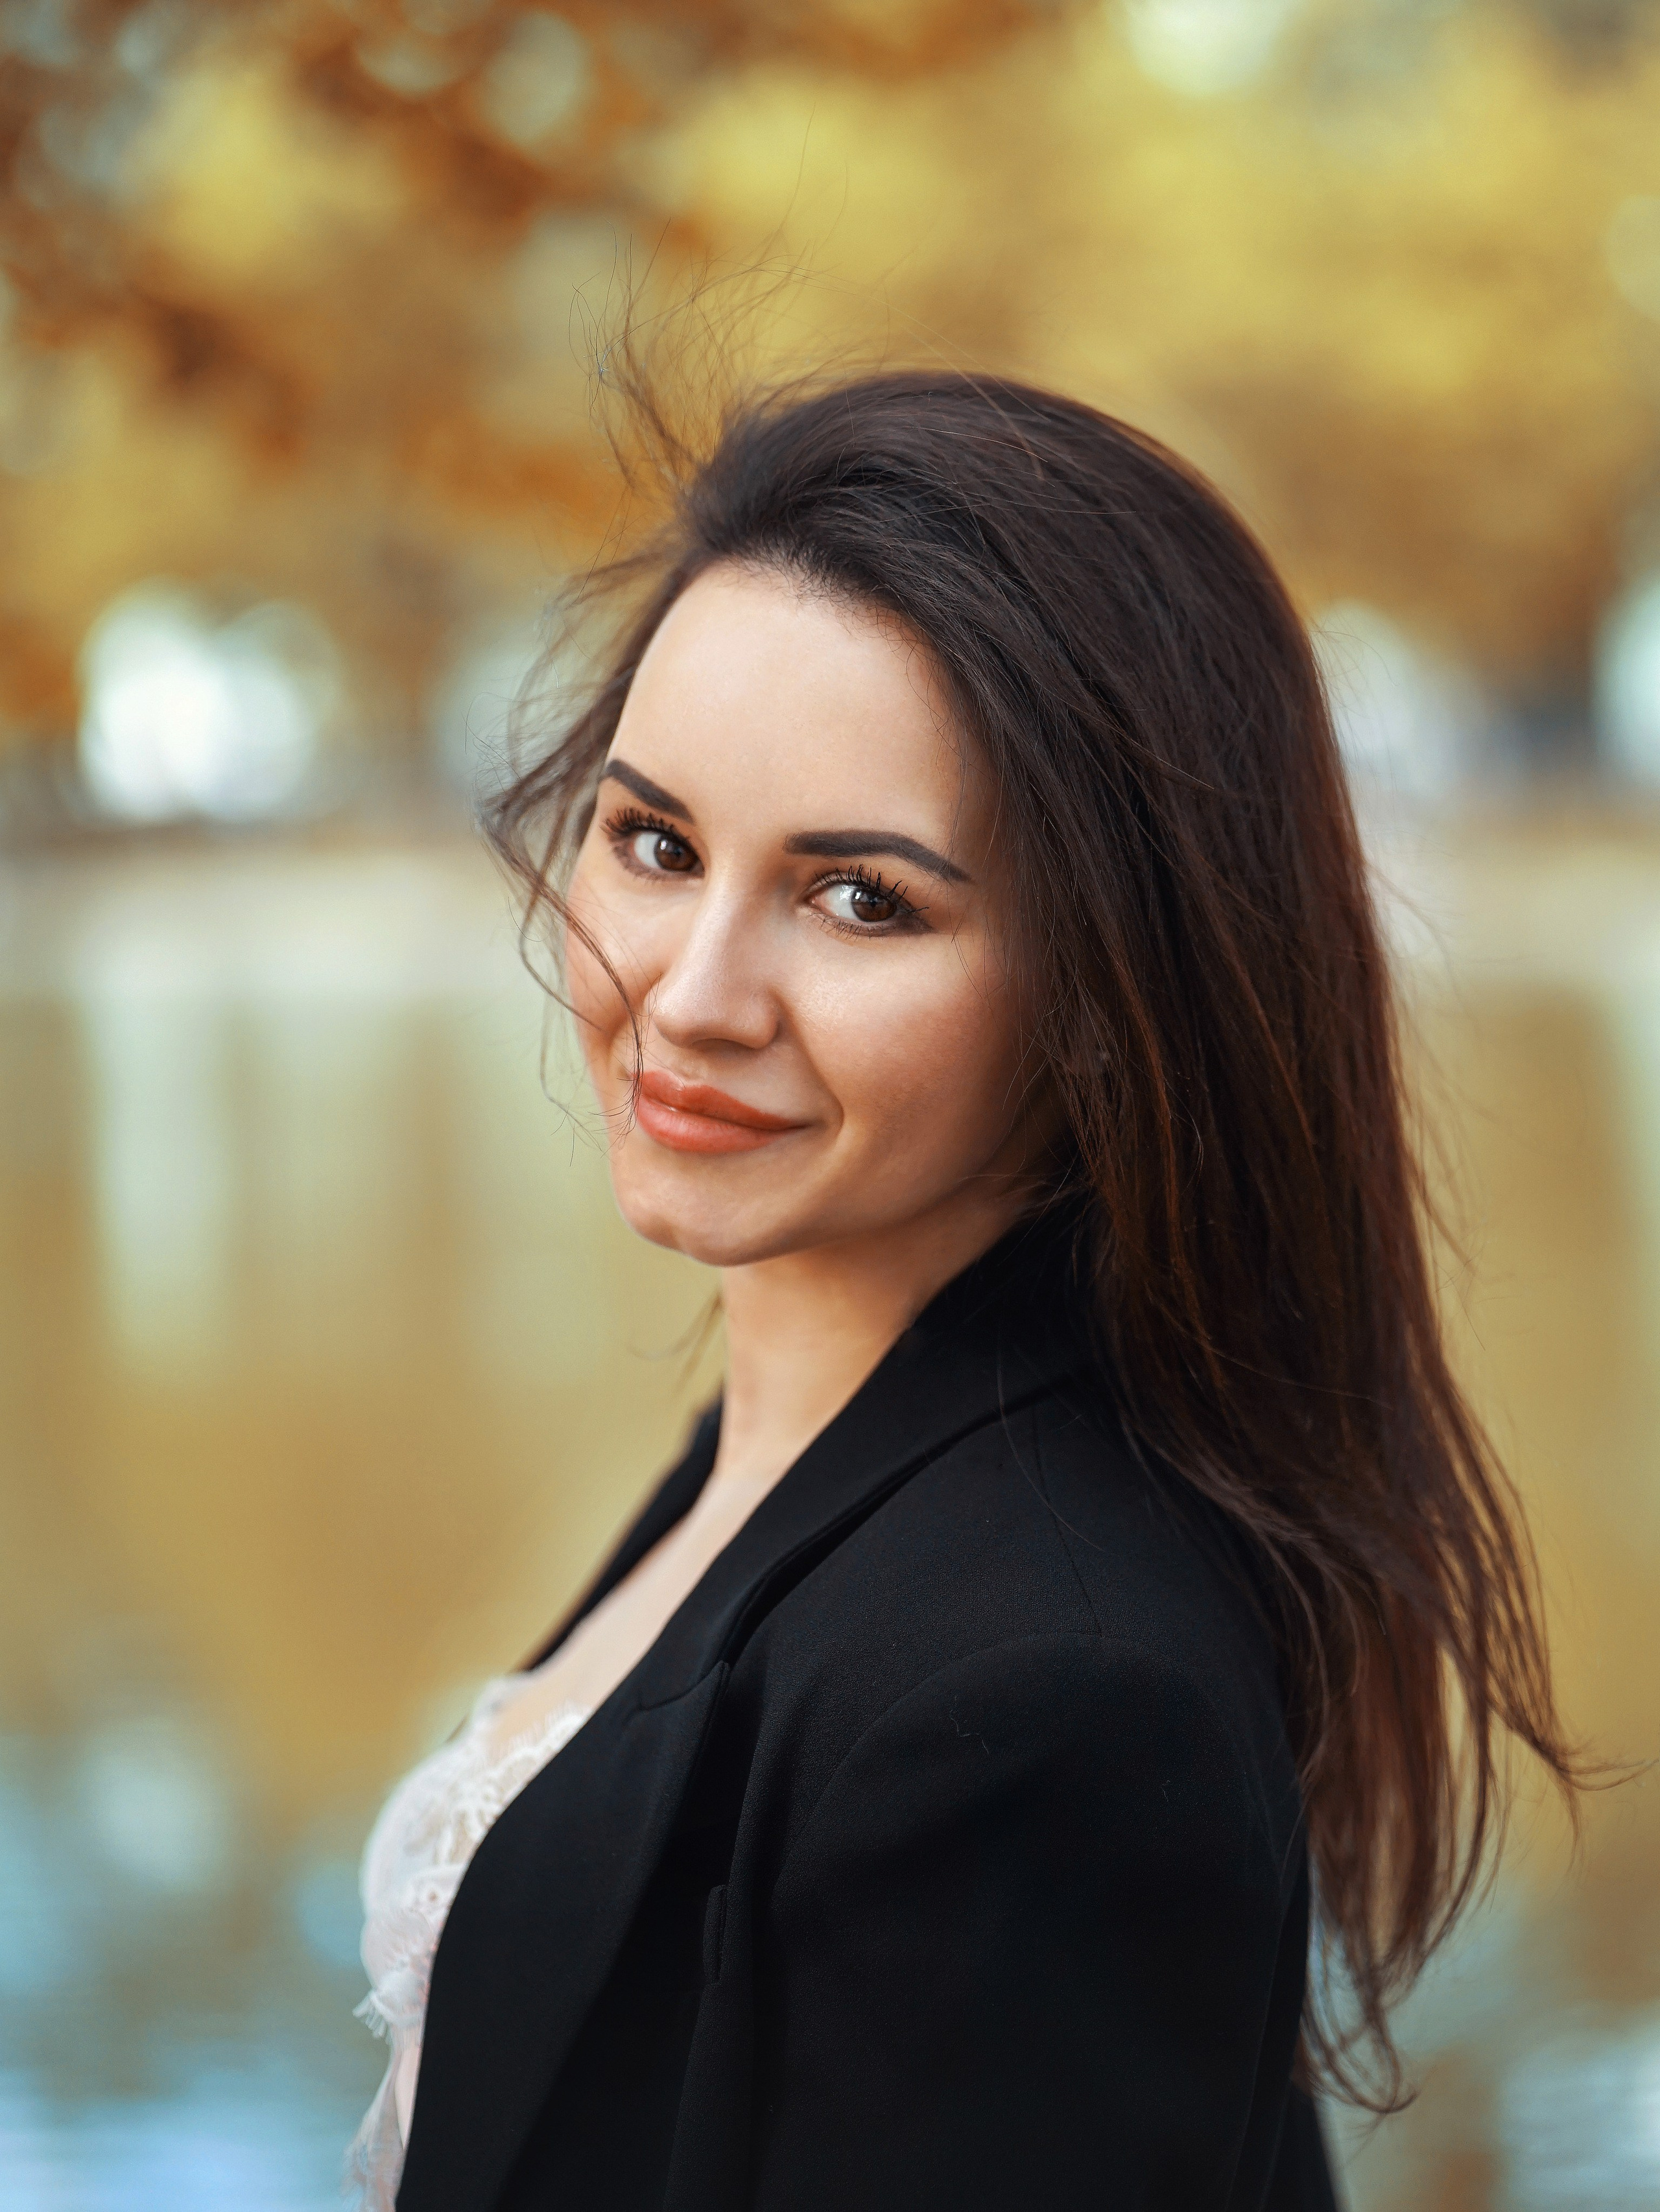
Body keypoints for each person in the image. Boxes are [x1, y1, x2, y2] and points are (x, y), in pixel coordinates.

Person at [348, 372, 1578, 2211]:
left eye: (861, 901)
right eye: (656, 842)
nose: (689, 995)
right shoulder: (809, 1430)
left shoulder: (1047, 1697)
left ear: (1112, 991)